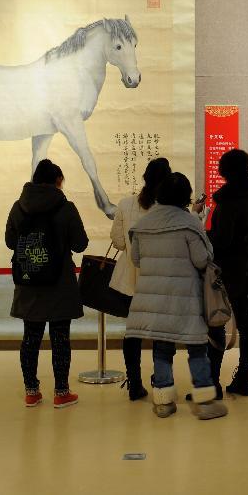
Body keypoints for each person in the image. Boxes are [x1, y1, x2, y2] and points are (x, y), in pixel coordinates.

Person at [125, 172, 228, 420]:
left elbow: (136, 260)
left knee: (161, 350)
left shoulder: (143, 224)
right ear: (185, 196)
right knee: (197, 350)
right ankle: (204, 403)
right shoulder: (189, 223)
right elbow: (202, 259)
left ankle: (163, 402)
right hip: (185, 300)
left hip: (154, 301)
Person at [5, 159, 89, 409]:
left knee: (31, 337)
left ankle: (31, 391)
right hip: (59, 283)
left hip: (29, 280)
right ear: (57, 181)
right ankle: (61, 392)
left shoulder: (18, 207)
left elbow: (10, 242)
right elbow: (80, 244)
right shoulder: (66, 207)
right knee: (60, 338)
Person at [109, 157, 172, 401]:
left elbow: (118, 241)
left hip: (131, 281)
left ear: (145, 178)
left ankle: (134, 382)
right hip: (161, 280)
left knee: (132, 333)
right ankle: (161, 380)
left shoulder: (125, 205)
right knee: (161, 334)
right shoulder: (171, 209)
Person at [203, 149, 248, 397]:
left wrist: (204, 237)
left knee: (216, 323)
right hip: (247, 267)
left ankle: (212, 382)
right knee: (247, 324)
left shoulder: (229, 200)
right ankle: (243, 377)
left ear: (224, 170)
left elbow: (222, 239)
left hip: (224, 270)